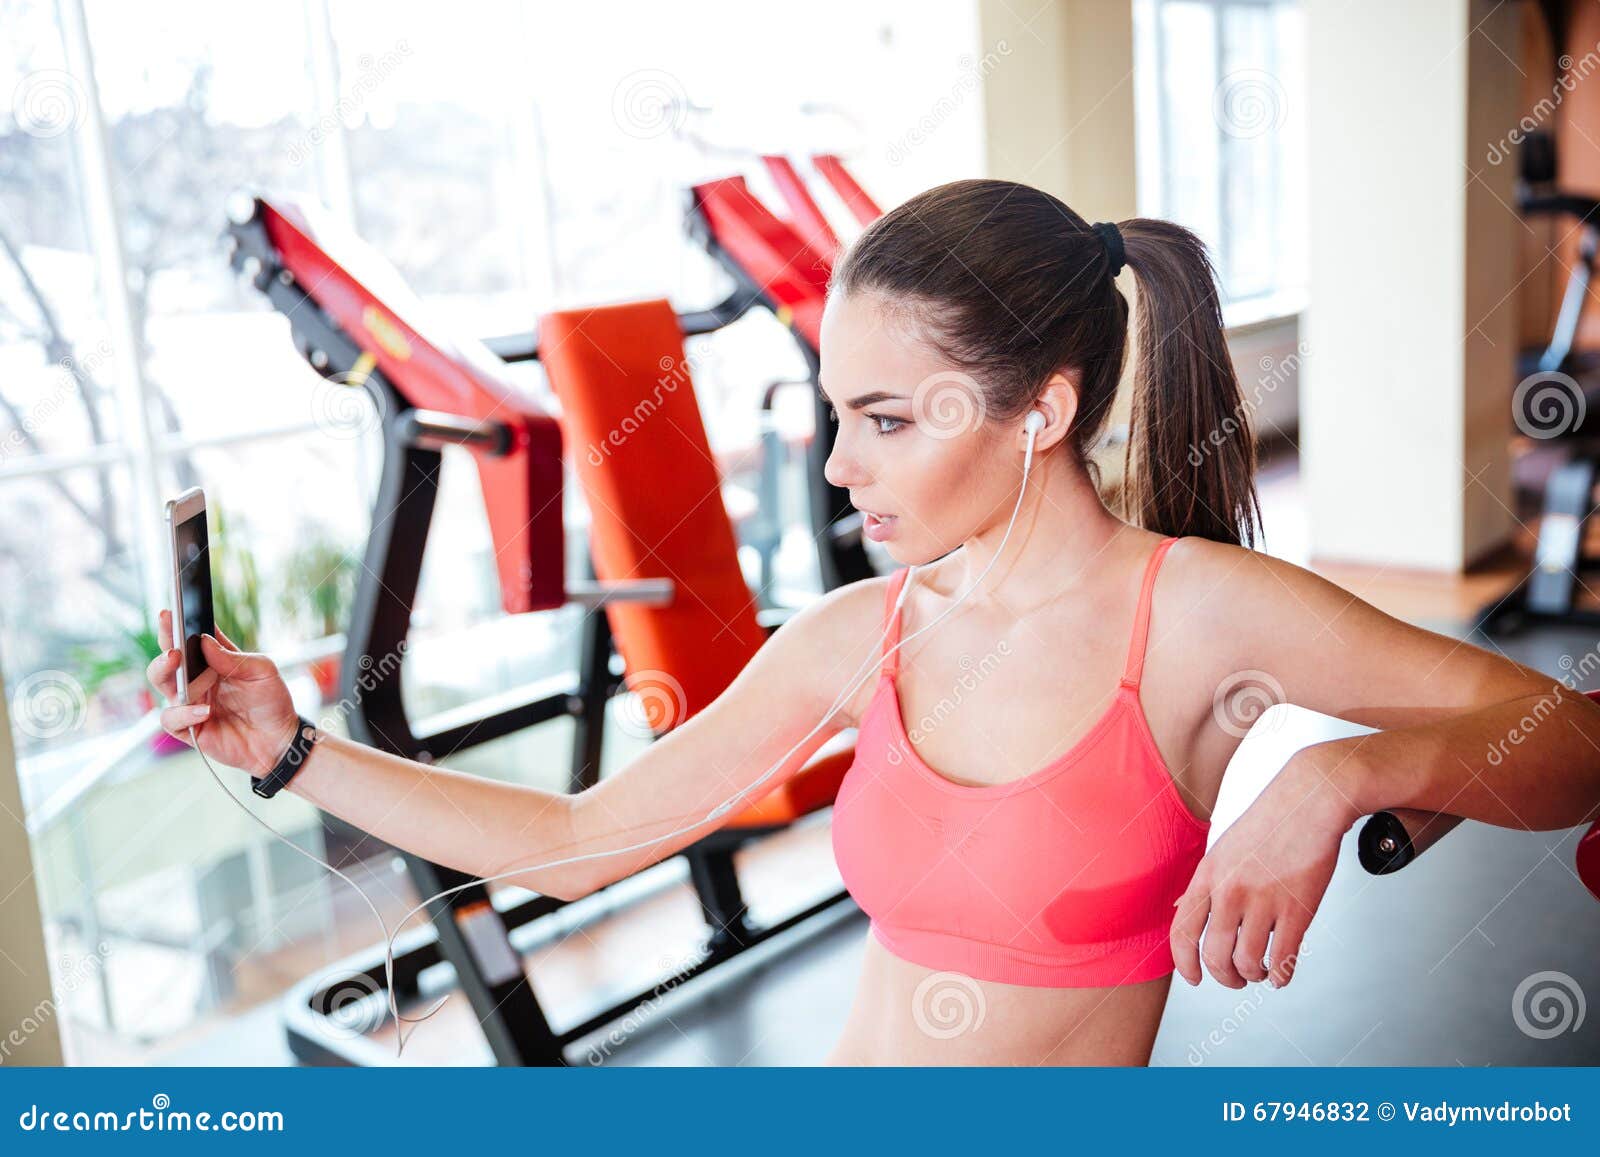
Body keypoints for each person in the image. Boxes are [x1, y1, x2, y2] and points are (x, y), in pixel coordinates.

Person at [149, 179, 1600, 1066]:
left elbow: (1574, 741)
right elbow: (573, 841)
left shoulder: (1198, 613)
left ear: (1045, 410)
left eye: (890, 420)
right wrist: (292, 754)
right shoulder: (865, 632)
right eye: (839, 415)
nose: (841, 469)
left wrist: (1342, 771)